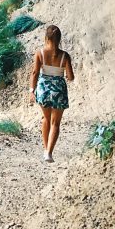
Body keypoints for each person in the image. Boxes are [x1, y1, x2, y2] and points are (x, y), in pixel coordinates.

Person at [29, 24, 74, 162]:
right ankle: (49, 153)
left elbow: (35, 73)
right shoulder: (64, 55)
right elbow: (71, 77)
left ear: (45, 37)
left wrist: (32, 90)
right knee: (55, 123)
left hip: (43, 88)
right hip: (58, 89)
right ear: (59, 39)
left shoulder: (40, 53)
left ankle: (45, 150)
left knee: (46, 119)